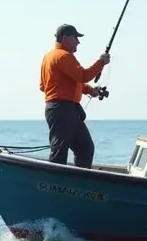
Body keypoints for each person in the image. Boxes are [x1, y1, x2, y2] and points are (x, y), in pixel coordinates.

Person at [38, 24, 110, 168]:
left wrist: (89, 90)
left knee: (85, 147)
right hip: (62, 110)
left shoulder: (49, 57)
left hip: (64, 110)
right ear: (65, 38)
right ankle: (54, 184)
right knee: (60, 151)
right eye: (75, 38)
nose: (78, 42)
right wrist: (101, 62)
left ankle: (77, 182)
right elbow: (83, 75)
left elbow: (44, 86)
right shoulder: (64, 56)